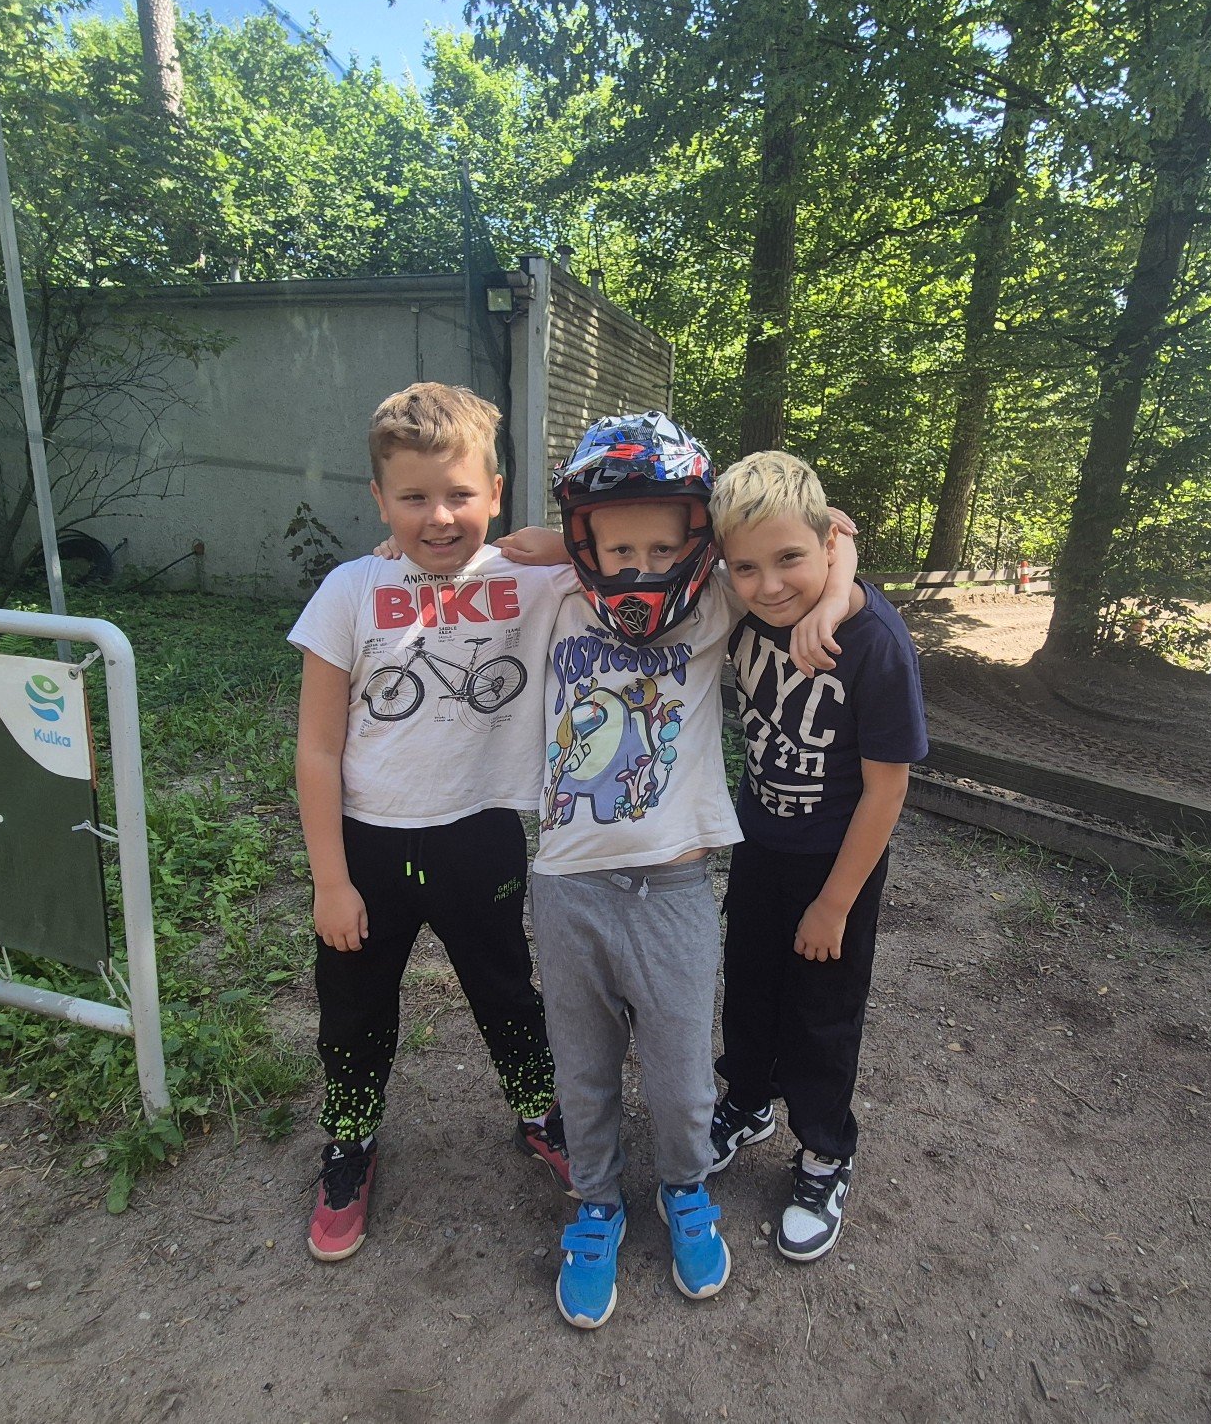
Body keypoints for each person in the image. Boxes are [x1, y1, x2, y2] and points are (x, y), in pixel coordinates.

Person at [506, 413, 857, 1328]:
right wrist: (405, 549)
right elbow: (470, 557)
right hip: (569, 885)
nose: (640, 567)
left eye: (663, 547)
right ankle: (595, 1201)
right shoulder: (555, 594)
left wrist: (831, 603)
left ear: (696, 541)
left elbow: (830, 535)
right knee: (582, 1067)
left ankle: (684, 1187)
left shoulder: (718, 601)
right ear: (584, 542)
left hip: (674, 887)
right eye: (618, 548)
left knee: (681, 1075)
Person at [288, 382, 575, 1263]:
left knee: (507, 990)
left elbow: (672, 551)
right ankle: (350, 1139)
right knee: (354, 1007)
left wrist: (559, 540)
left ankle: (540, 1113)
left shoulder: (535, 577)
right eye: (413, 497)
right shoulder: (350, 588)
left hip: (479, 834)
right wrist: (330, 881)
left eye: (459, 494)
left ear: (497, 491)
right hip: (368, 846)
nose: (439, 517)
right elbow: (318, 750)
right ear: (379, 500)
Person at [704, 449, 928, 1262]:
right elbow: (643, 552)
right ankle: (748, 1101)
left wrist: (834, 904)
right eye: (747, 567)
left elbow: (887, 792)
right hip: (760, 845)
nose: (768, 585)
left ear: (829, 545)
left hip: (838, 867)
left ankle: (827, 1150)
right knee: (749, 988)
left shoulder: (876, 644)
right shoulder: (740, 610)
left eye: (789, 560)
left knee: (822, 1016)